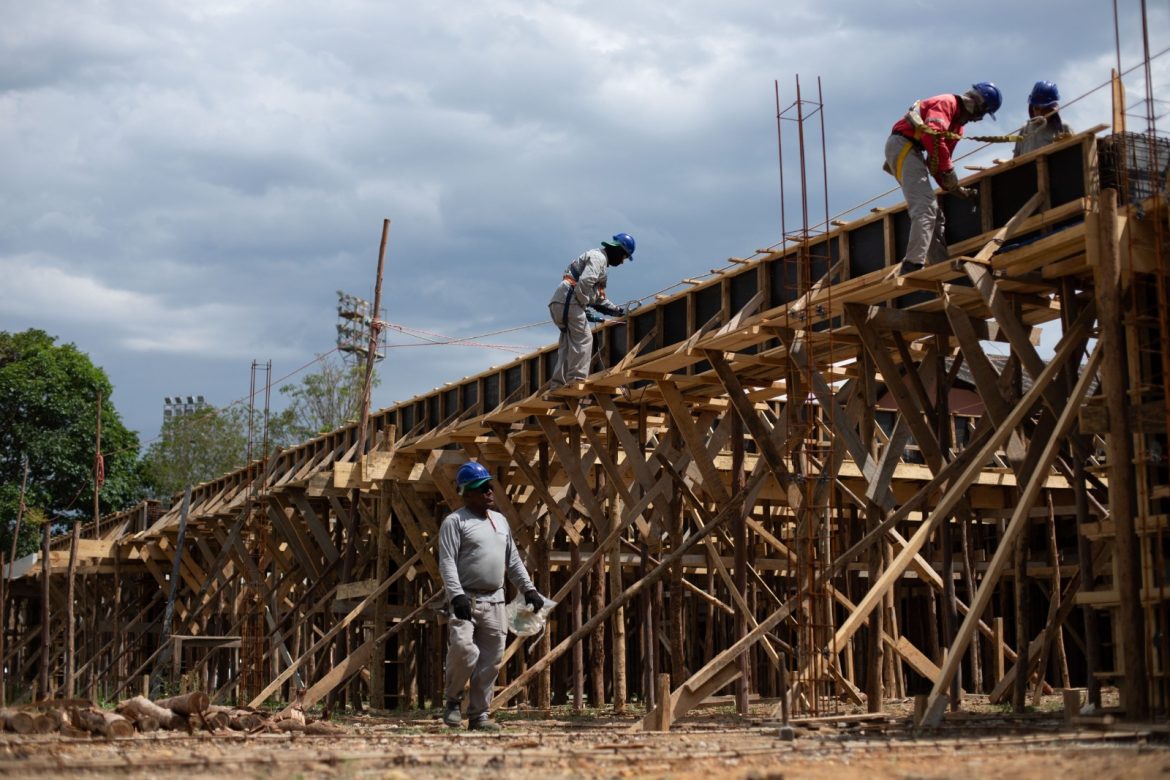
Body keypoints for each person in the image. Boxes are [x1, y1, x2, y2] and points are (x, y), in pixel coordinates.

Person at [439, 461, 544, 731]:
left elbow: (513, 562)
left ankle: (479, 715)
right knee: (464, 650)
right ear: (467, 493)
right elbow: (447, 562)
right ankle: (452, 701)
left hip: (495, 600)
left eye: (489, 486)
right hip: (467, 600)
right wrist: (456, 596)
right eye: (481, 488)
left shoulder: (500, 521)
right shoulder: (455, 522)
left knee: (490, 661)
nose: (488, 491)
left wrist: (528, 589)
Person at [884, 83, 1002, 273]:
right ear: (978, 104)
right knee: (925, 207)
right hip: (902, 145)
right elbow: (933, 137)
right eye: (983, 112)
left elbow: (937, 164)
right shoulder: (947, 103)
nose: (978, 119)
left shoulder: (957, 128)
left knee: (934, 214)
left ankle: (940, 267)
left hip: (913, 150)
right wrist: (948, 171)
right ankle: (912, 263)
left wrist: (955, 189)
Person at [547, 232, 635, 391]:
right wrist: (582, 304)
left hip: (561, 301)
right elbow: (585, 282)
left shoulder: (600, 263)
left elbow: (597, 299)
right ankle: (576, 379)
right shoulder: (598, 258)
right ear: (617, 250)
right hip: (569, 300)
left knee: (569, 342)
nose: (622, 262)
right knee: (585, 339)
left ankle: (557, 385)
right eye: (623, 257)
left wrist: (618, 311)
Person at [1013, 80, 1071, 158]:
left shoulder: (1063, 128)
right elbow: (1015, 159)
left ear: (1052, 109)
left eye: (1044, 109)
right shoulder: (1024, 130)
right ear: (1032, 107)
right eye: (1036, 108)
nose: (1039, 113)